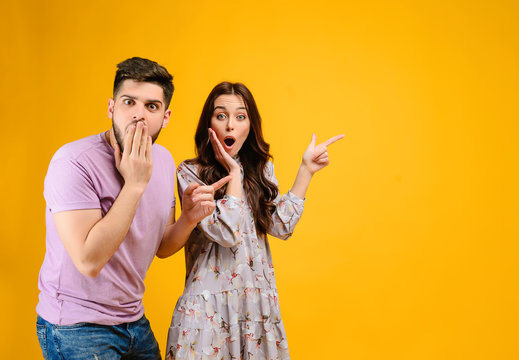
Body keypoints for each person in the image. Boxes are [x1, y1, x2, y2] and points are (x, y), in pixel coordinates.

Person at [36, 57, 229, 360]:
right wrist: (135, 184)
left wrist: (189, 218)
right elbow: (88, 261)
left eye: (151, 106)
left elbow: (161, 245)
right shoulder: (73, 162)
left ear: (165, 117)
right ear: (112, 108)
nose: (139, 115)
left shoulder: (163, 160)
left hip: (133, 322)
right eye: (129, 102)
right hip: (77, 327)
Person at [166, 82, 344, 359]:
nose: (230, 126)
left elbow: (280, 226)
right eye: (221, 115)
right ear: (209, 123)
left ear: (250, 125)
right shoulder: (190, 173)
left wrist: (306, 171)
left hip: (255, 309)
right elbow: (227, 232)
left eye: (240, 116)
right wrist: (234, 174)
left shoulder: (261, 169)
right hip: (208, 312)